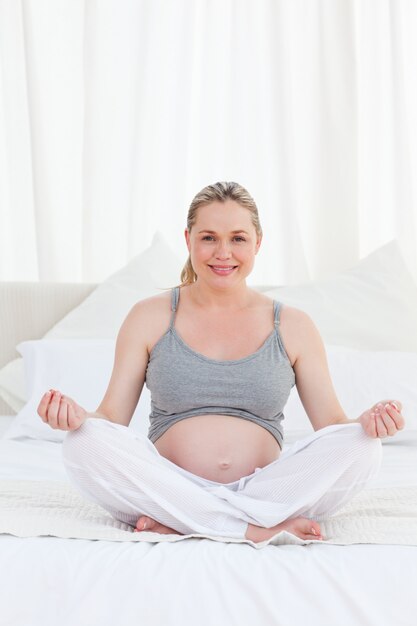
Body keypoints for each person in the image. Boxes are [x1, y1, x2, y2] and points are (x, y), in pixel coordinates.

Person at [37, 181, 405, 544]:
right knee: (83, 442)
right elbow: (111, 418)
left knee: (363, 446)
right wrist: (78, 417)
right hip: (171, 484)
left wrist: (369, 423)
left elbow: (332, 427)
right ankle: (248, 528)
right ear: (189, 240)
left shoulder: (293, 325)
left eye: (238, 239)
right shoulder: (149, 316)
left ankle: (189, 521)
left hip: (265, 490)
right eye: (209, 237)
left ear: (258, 243)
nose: (222, 252)